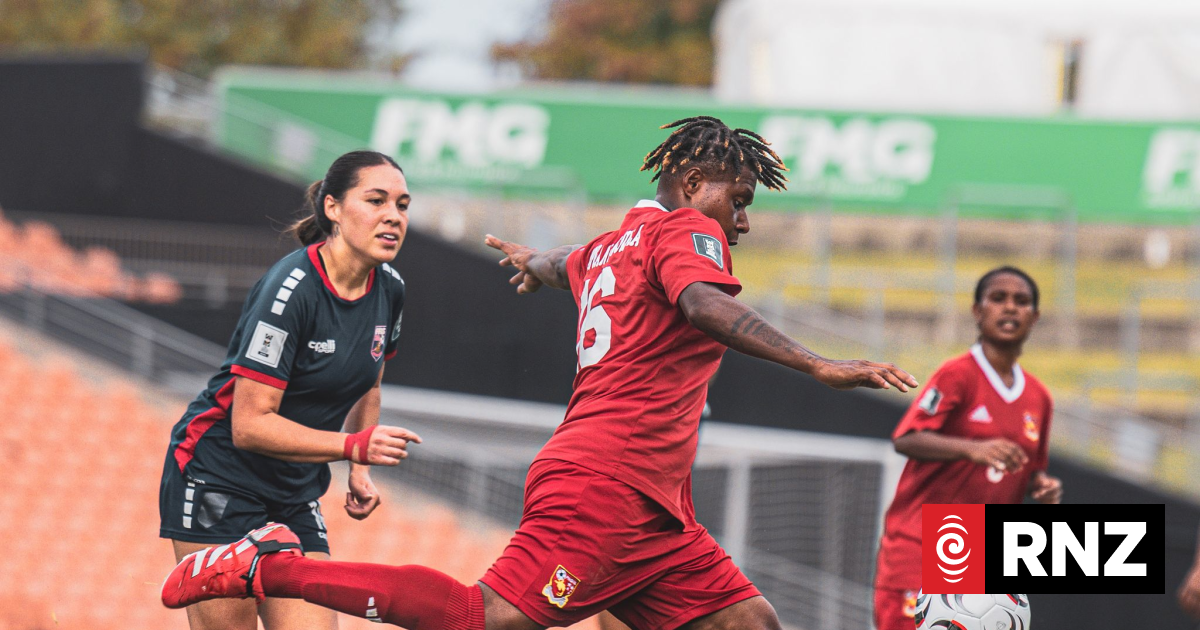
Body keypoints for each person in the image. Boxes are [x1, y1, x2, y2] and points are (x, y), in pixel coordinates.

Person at [161, 115, 917, 630]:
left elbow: (565, 263)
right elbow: (701, 304)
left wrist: (535, 263)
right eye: (739, 200)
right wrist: (817, 363)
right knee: (479, 618)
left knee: (749, 623)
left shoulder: (613, 244)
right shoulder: (689, 231)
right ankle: (266, 569)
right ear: (693, 184)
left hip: (657, 509)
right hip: (608, 483)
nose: (742, 220)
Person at [158, 150, 421, 630]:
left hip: (294, 492)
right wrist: (351, 446)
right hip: (219, 477)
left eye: (402, 205)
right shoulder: (291, 289)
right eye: (376, 200)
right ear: (333, 208)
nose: (393, 216)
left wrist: (359, 469)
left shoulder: (391, 287)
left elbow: (370, 380)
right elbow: (249, 426)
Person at [872, 266, 1064, 630]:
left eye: (1021, 301)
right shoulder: (958, 374)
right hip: (922, 547)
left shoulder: (1039, 397)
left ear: (1035, 317)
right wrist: (972, 449)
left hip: (984, 559)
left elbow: (1028, 473)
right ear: (978, 311)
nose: (1010, 307)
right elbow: (907, 438)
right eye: (998, 298)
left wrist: (1042, 488)